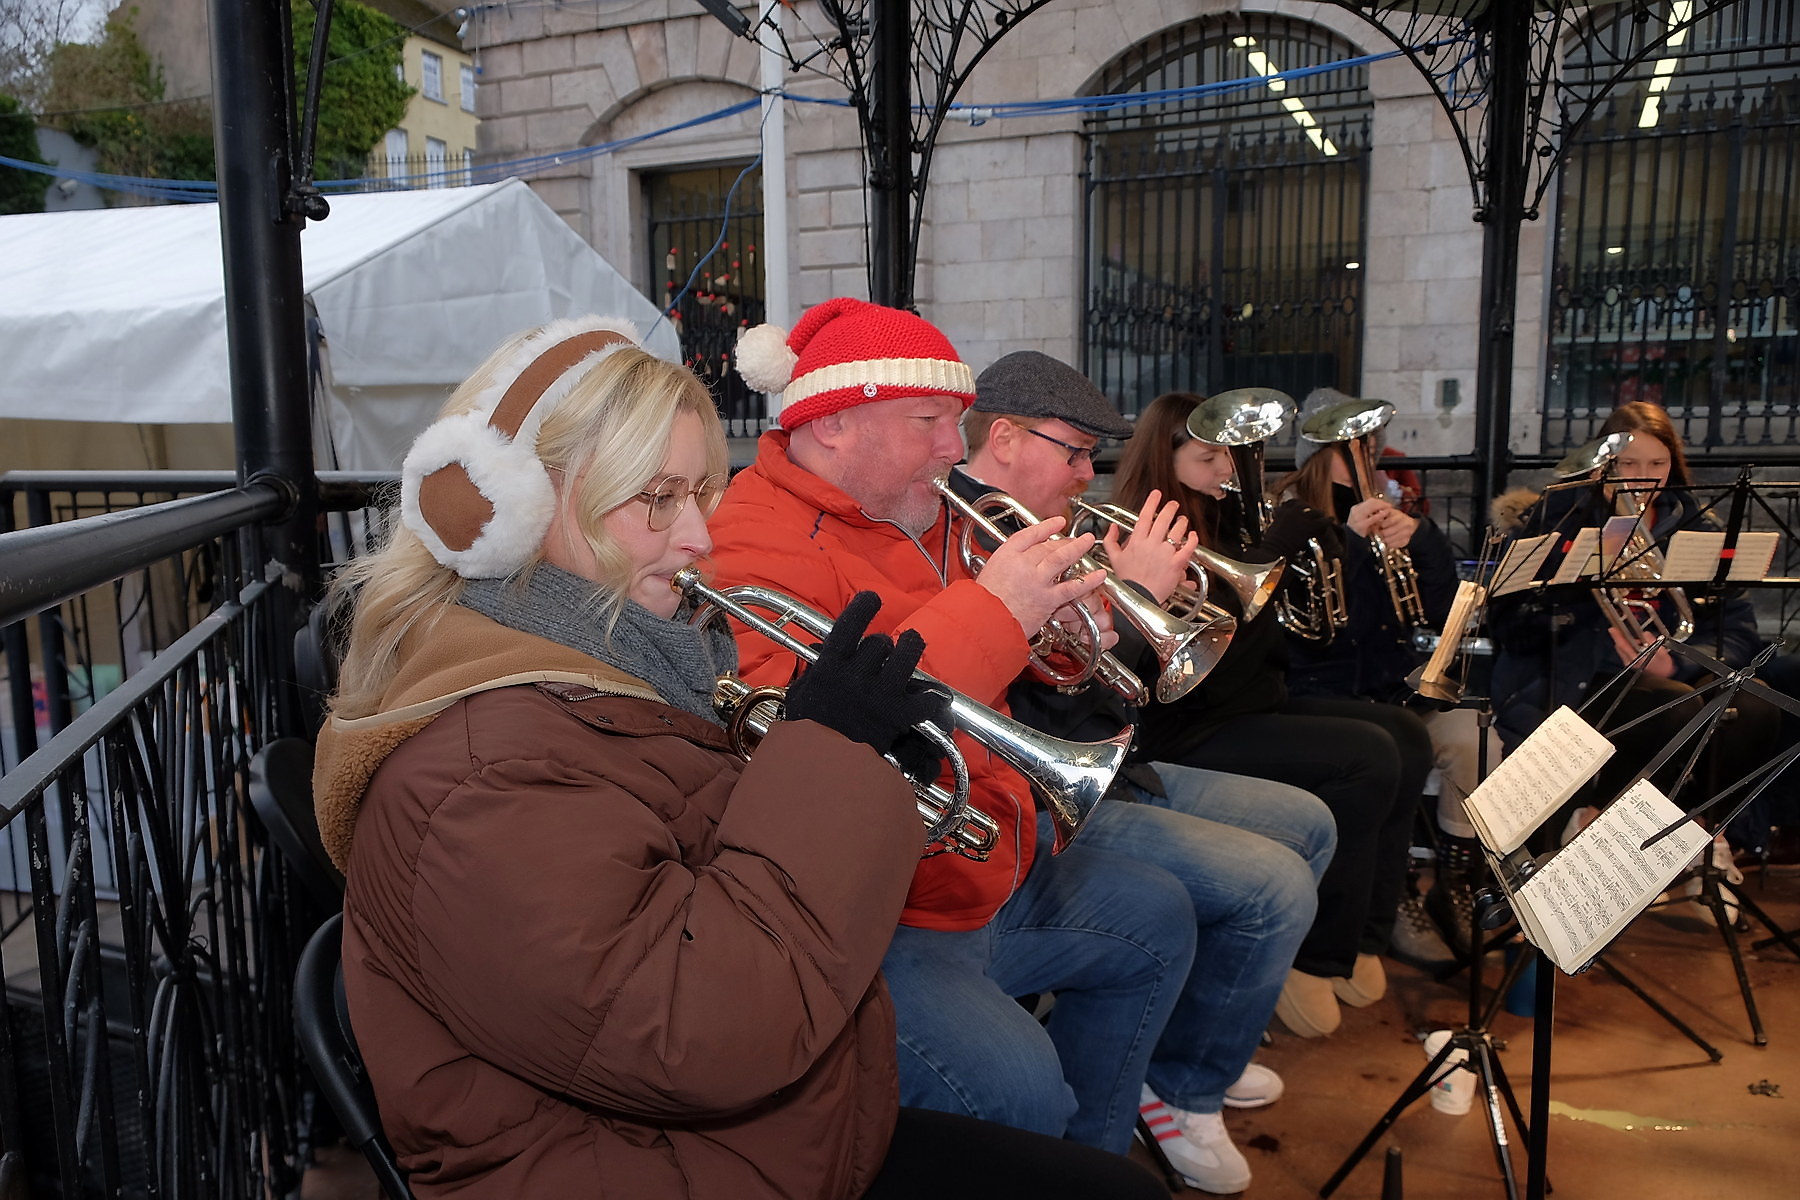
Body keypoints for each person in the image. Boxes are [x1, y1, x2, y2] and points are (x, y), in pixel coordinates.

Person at [310, 317, 1166, 1199]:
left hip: (754, 1122)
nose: (699, 539)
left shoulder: (621, 665)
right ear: (512, 513)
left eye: (699, 495)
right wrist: (831, 753)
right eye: (658, 498)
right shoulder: (483, 773)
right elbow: (702, 1034)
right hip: (655, 1156)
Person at [711, 299, 1198, 1163]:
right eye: (931, 421)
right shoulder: (750, 540)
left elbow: (1038, 670)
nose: (954, 448)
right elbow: (801, 743)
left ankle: (1092, 1162)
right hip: (880, 917)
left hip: (987, 867)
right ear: (831, 424)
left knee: (1156, 920)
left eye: (957, 422)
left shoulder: (918, 508)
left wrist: (1083, 620)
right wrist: (995, 612)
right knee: (1018, 1086)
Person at [951, 350, 1336, 1192]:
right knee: (1270, 884)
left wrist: (1138, 610)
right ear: (1007, 437)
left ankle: (1190, 1050)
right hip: (1051, 796)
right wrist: (1132, 615)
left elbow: (1128, 698)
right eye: (1076, 451)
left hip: (1115, 767)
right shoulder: (972, 532)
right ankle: (1182, 1086)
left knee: (1311, 823)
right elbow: (1021, 716)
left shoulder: (1048, 525)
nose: (1091, 473)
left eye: (1095, 454)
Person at [1112, 391, 1425, 1041]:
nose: (1226, 468)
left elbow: (1301, 644)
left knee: (1406, 736)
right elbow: (1198, 669)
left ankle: (1364, 932)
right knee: (1366, 760)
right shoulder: (1149, 532)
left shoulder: (1229, 521)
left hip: (1253, 703)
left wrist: (1330, 557)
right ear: (1163, 459)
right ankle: (1312, 959)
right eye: (1208, 456)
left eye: (1231, 453)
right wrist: (1272, 552)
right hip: (1188, 730)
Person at [1488, 401, 1782, 848]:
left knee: (1758, 709)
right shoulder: (1557, 518)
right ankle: (1615, 831)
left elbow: (1737, 629)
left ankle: (1700, 837)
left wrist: (1677, 663)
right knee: (1678, 710)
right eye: (1628, 463)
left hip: (1665, 674)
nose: (1643, 476)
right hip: (1575, 678)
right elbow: (1507, 625)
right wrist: (1578, 577)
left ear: (1673, 463)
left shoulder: (1698, 525)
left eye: (1657, 463)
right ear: (1604, 463)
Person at [1275, 388, 1493, 956]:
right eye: (1353, 449)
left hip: (1394, 690)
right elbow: (1319, 634)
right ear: (1318, 453)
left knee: (1477, 740)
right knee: (1391, 753)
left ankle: (1453, 884)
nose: (1368, 460)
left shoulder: (1392, 512)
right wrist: (1345, 542)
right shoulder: (1293, 517)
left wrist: (1422, 542)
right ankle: (1389, 895)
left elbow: (1442, 611)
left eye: (1370, 446)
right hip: (1327, 691)